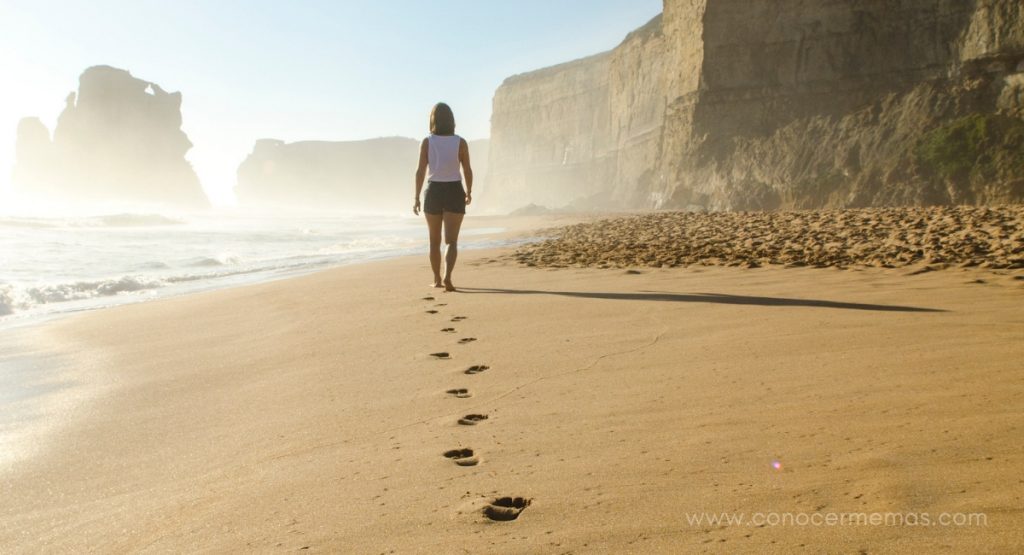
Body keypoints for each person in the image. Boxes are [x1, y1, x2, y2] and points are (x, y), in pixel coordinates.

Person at [413, 102, 473, 292]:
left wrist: (416, 197)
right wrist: (469, 191)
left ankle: (437, 279)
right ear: (452, 120)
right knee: (451, 241)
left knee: (434, 241)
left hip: (433, 191)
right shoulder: (460, 142)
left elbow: (420, 171)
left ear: (433, 120)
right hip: (455, 189)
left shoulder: (427, 142)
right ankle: (448, 276)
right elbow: (467, 169)